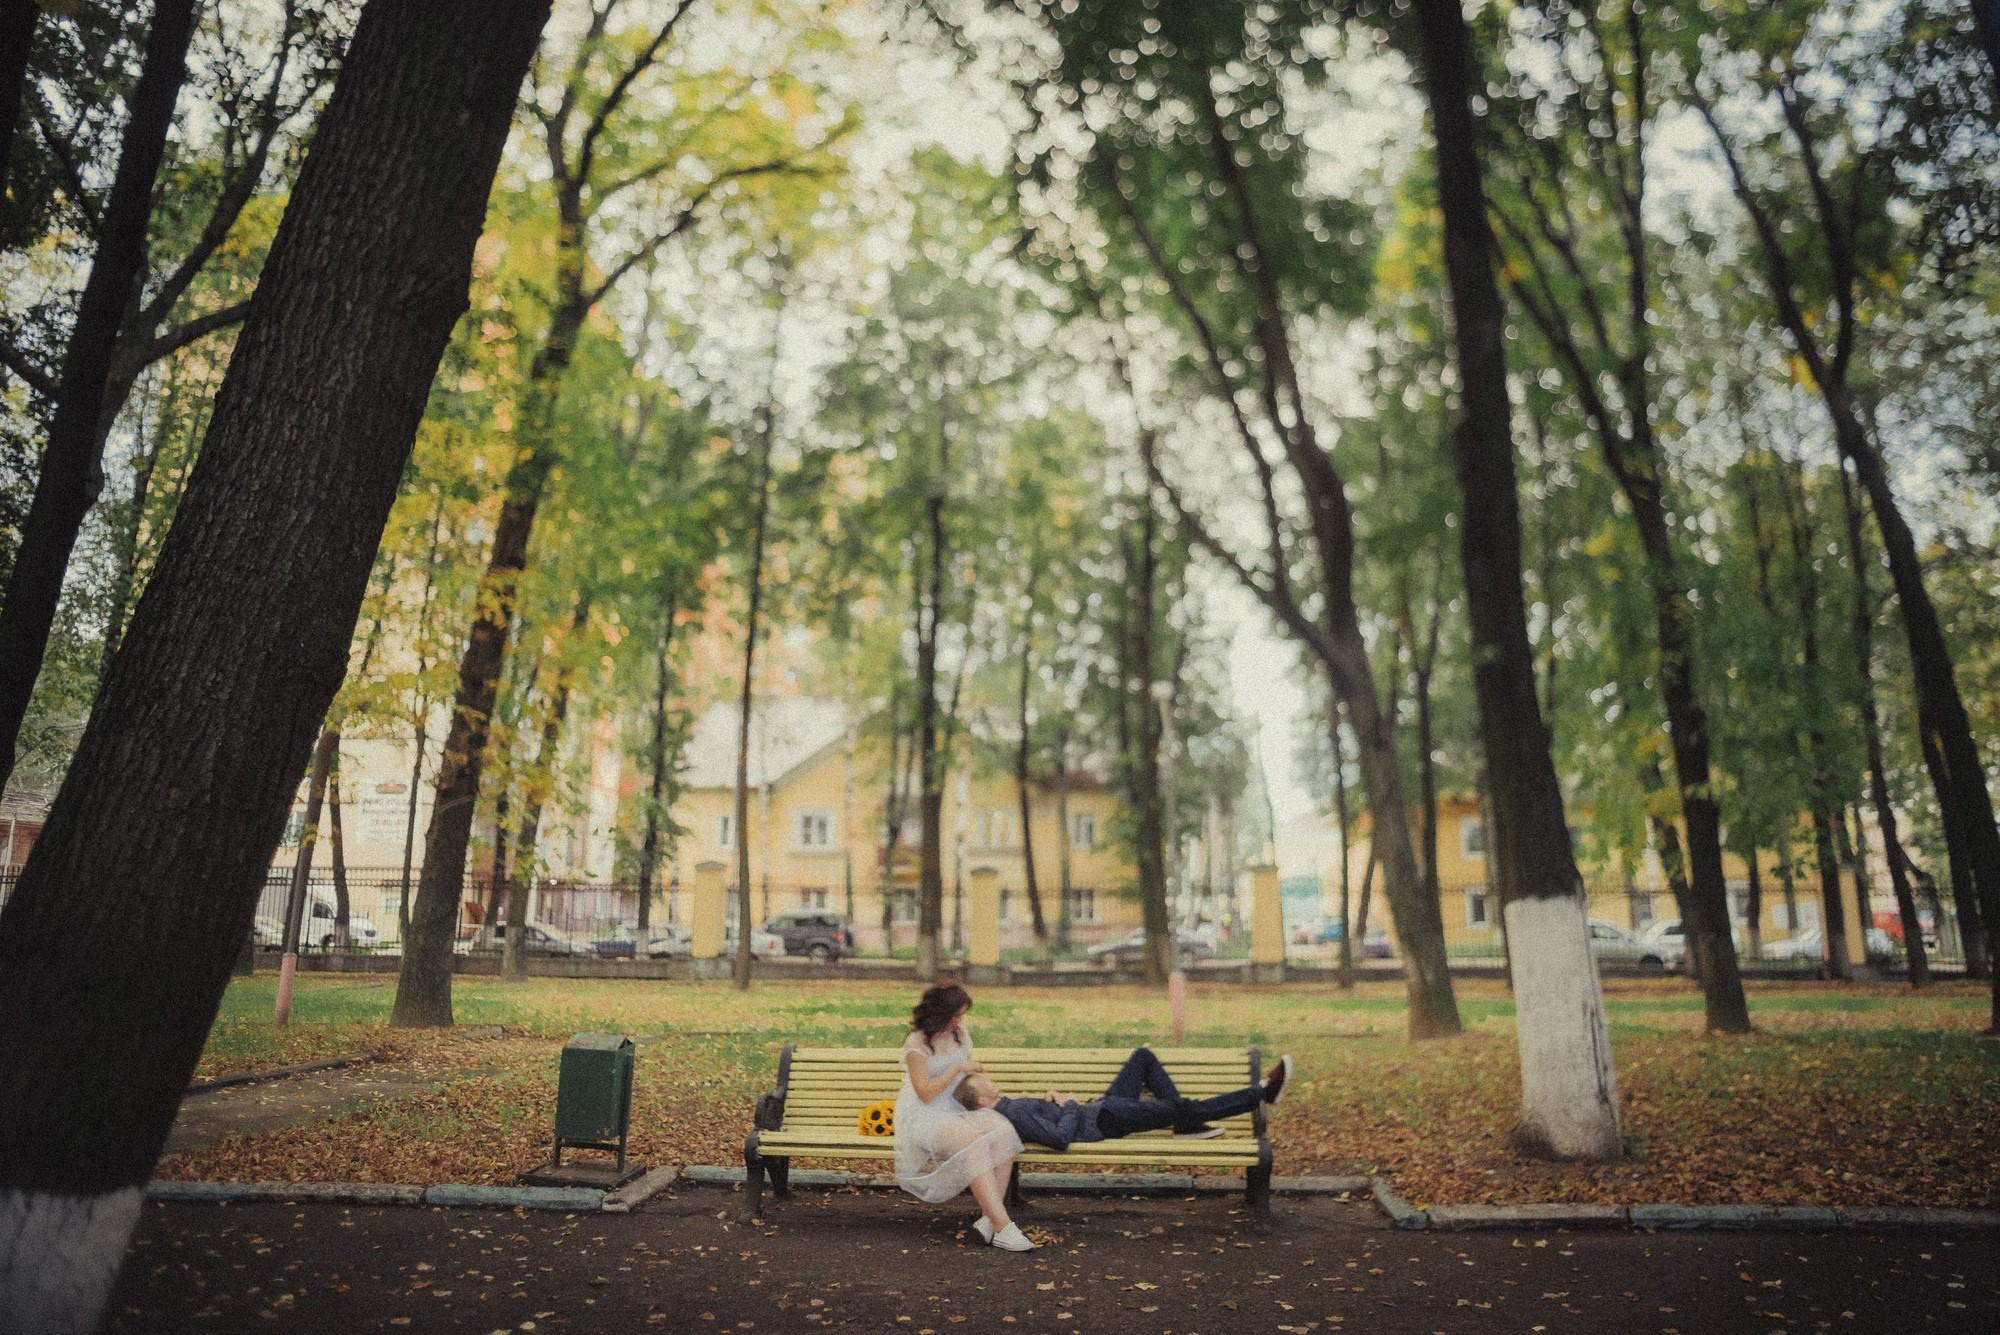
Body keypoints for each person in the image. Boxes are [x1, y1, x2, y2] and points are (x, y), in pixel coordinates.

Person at [895, 981, 1034, 1251]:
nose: (960, 1020)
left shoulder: (959, 1034)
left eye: (962, 1014)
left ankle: (988, 1219)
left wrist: (993, 1094)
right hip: (924, 1115)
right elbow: (925, 1094)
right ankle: (1004, 1227)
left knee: (1003, 1130)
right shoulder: (917, 1044)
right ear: (939, 1014)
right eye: (956, 1015)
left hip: (956, 1108)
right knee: (974, 1143)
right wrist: (957, 1067)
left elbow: (967, 1081)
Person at [955, 1048, 1293, 1151]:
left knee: (1142, 1058)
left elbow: (1049, 1120)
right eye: (979, 1080)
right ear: (982, 1101)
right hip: (1106, 1119)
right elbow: (1059, 1139)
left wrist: (1054, 1100)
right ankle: (1262, 1093)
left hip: (1102, 1107)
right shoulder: (1012, 1115)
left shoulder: (1009, 1107)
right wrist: (1070, 1105)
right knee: (1183, 1107)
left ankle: (1184, 1124)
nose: (984, 1075)